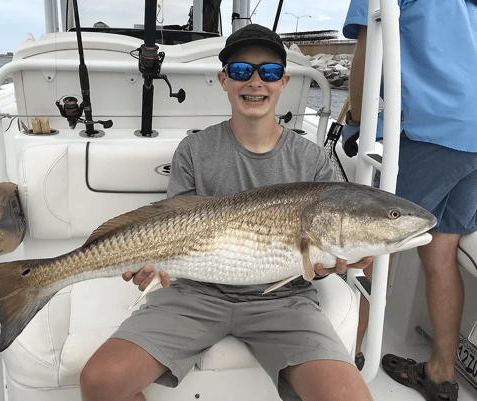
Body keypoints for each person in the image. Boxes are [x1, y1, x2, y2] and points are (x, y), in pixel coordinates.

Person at [80, 24, 373, 401]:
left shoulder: (312, 160)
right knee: (100, 381)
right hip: (195, 293)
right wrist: (149, 263)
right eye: (240, 71)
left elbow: (327, 248)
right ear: (223, 79)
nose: (255, 82)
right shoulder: (194, 150)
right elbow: (170, 228)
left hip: (283, 300)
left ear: (283, 81)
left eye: (268, 72)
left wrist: (336, 262)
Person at [342, 1, 477, 400]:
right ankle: (440, 373)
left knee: (375, 247)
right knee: (442, 249)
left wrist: (356, 123)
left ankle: (343, 361)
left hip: (432, 130)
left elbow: (369, 56)